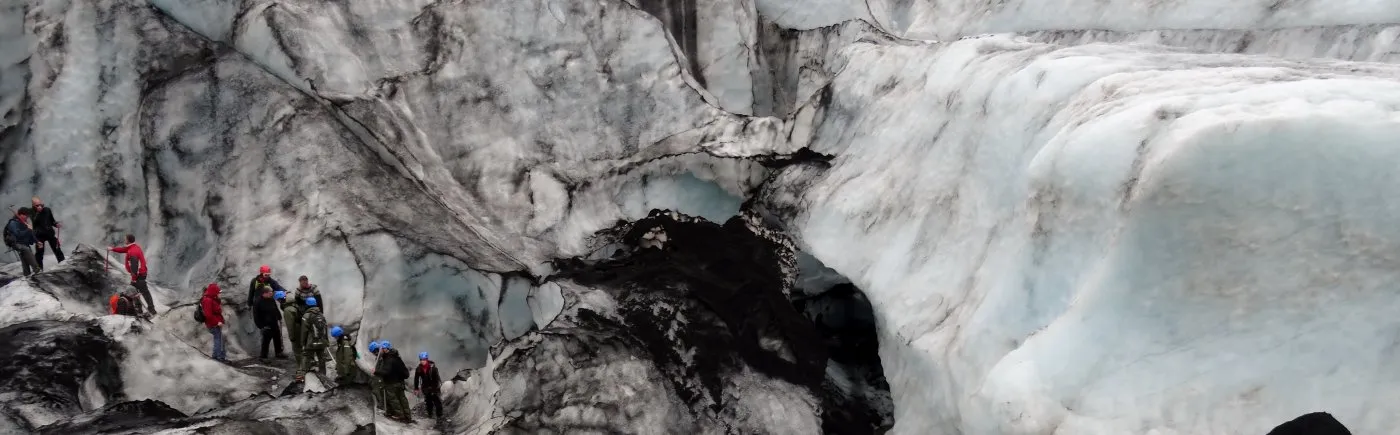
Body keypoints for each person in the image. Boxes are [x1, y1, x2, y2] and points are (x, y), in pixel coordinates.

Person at [109, 234, 155, 314]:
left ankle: (152, 310)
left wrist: (134, 279)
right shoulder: (133, 247)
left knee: (144, 292)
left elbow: (134, 266)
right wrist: (112, 249)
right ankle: (139, 310)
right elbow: (123, 250)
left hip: (139, 275)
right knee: (134, 292)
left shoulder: (133, 251)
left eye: (125, 239)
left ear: (128, 240)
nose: (124, 240)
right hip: (139, 274)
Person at [376, 340, 412, 422]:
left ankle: (400, 415)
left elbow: (386, 372)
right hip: (400, 383)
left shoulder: (388, 359)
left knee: (393, 399)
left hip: (391, 383)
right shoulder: (397, 358)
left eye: (381, 348)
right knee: (403, 399)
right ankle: (408, 416)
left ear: (385, 349)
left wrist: (376, 372)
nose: (380, 350)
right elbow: (406, 373)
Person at [296, 296, 329, 381]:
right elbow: (325, 329)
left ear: (307, 305)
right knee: (322, 360)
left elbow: (304, 331)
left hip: (311, 343)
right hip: (321, 342)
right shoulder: (321, 315)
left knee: (305, 357)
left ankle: (302, 376)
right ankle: (323, 378)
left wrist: (303, 343)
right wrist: (326, 342)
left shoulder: (306, 316)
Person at [29, 197, 63, 268]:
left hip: (49, 233)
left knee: (57, 249)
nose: (39, 206)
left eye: (40, 204)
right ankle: (39, 269)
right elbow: (34, 223)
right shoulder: (32, 212)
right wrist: (38, 212)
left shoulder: (47, 210)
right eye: (37, 205)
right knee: (39, 253)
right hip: (39, 235)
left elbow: (52, 220)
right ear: (33, 205)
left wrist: (56, 224)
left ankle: (63, 263)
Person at [253, 287, 286, 360]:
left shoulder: (271, 299)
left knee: (277, 338)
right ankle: (263, 356)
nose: (272, 294)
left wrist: (279, 317)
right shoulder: (258, 302)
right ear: (265, 293)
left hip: (274, 322)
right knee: (265, 341)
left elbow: (275, 308)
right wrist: (261, 326)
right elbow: (256, 315)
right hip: (266, 325)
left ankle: (278, 352)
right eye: (270, 292)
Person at [5, 208, 38, 276]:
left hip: (24, 243)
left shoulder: (24, 223)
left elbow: (30, 234)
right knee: (26, 250)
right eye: (26, 215)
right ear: (21, 215)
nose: (27, 217)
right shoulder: (13, 223)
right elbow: (18, 234)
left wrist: (37, 241)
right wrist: (28, 230)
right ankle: (36, 268)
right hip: (16, 243)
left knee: (25, 257)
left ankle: (26, 274)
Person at [200, 283, 227, 362]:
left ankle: (216, 356)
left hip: (215, 323)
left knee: (218, 339)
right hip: (213, 324)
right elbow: (208, 315)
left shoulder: (212, 298)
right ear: (214, 292)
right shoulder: (207, 300)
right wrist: (217, 322)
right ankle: (219, 357)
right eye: (219, 292)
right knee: (218, 340)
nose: (220, 294)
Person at [413, 351, 444, 419]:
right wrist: (416, 388)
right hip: (425, 387)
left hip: (434, 386)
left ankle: (440, 415)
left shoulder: (433, 368)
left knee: (437, 401)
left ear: (427, 359)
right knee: (428, 402)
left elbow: (436, 379)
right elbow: (416, 379)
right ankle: (430, 415)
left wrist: (434, 389)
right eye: (421, 360)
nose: (422, 361)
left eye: (424, 360)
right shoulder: (419, 369)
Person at [278, 291, 303, 367]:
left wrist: (291, 337)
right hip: (301, 328)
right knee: (302, 348)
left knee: (297, 350)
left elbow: (290, 325)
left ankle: (302, 367)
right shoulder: (295, 305)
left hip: (296, 330)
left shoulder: (287, 310)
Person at [368, 340, 385, 410]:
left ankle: (382, 403)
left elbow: (383, 369)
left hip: (383, 377)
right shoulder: (378, 357)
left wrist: (376, 372)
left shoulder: (383, 358)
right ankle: (378, 400)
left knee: (377, 387)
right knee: (371, 382)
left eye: (374, 352)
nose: (374, 353)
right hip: (379, 375)